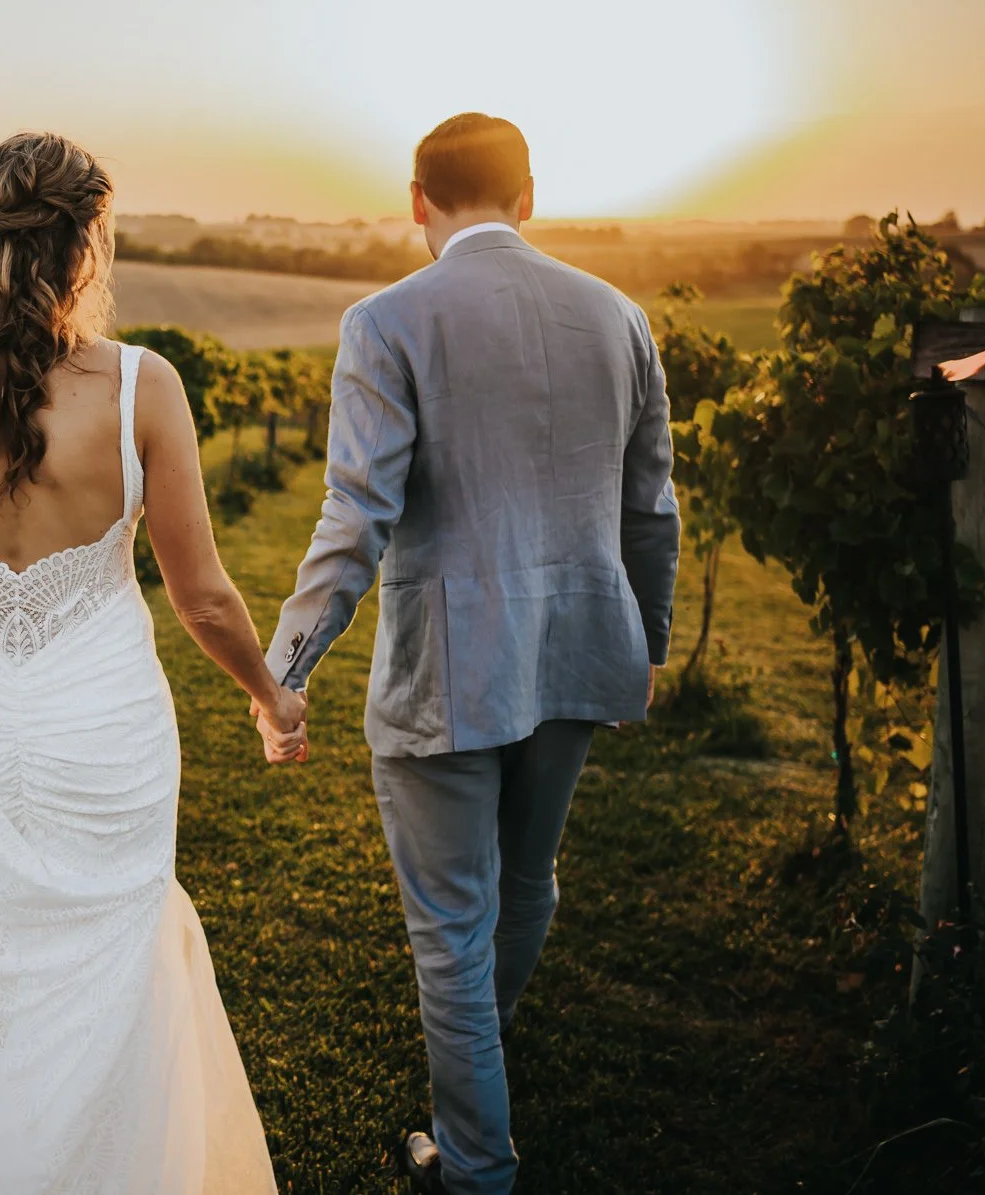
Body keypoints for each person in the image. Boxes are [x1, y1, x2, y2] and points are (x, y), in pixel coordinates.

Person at [0, 131, 300, 1192]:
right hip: (105, 730)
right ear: (86, 244)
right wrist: (270, 695)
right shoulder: (141, 386)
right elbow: (202, 594)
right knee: (115, 973)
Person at [259, 113, 681, 1193]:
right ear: (528, 194)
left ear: (414, 201)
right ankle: (473, 1078)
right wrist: (648, 636)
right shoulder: (618, 316)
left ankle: (475, 1167)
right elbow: (651, 508)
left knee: (450, 927)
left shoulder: (387, 320)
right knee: (525, 879)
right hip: (583, 651)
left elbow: (352, 517)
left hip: (448, 671)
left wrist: (284, 671)